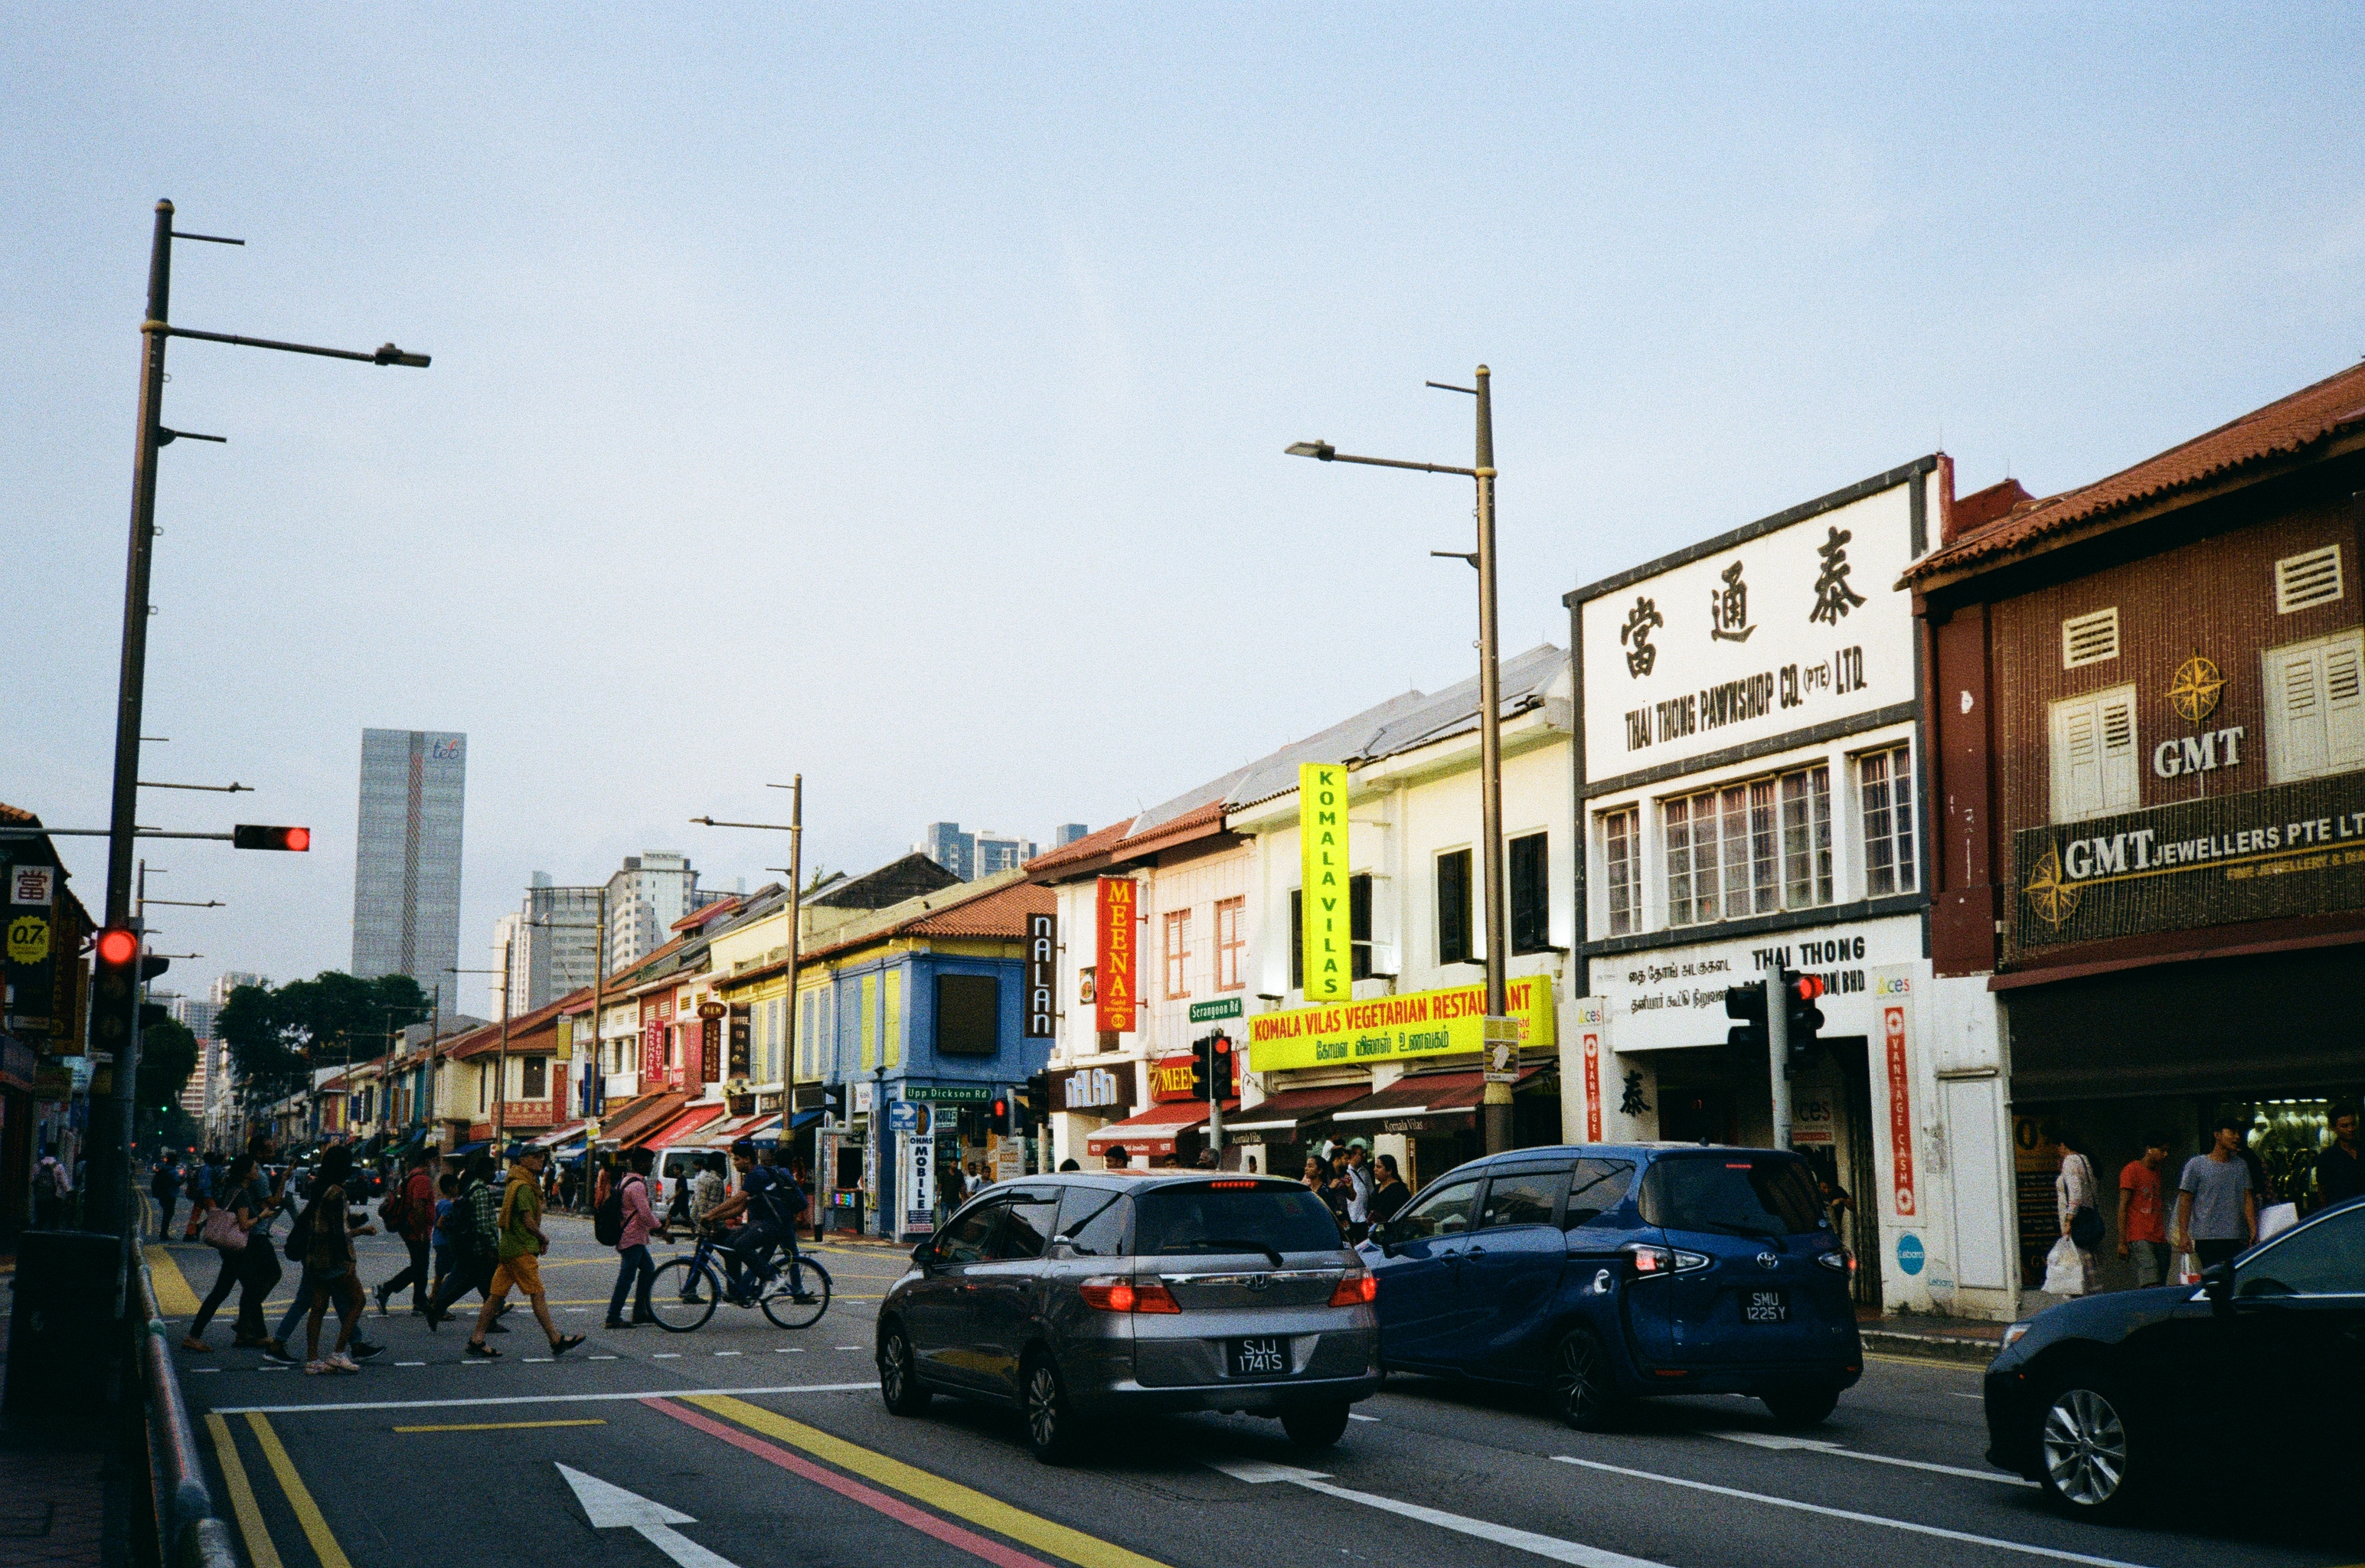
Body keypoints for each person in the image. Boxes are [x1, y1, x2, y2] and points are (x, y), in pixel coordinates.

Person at [465, 1146, 584, 1359]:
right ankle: (555, 1339)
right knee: (537, 1294)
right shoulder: (523, 1187)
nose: (540, 1160)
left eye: (542, 1156)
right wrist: (542, 1237)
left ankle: (477, 1339)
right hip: (520, 1249)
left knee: (494, 1298)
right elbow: (527, 1220)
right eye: (535, 1156)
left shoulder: (517, 1183)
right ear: (523, 1160)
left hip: (509, 1249)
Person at [289, 1145, 371, 1374]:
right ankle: (338, 1352)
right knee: (358, 1301)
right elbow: (340, 1232)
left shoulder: (319, 1188)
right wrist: (350, 1261)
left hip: (315, 1256)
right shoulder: (337, 1192)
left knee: (318, 1307)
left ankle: (313, 1360)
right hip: (334, 1258)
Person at [701, 1142, 811, 1302]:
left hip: (773, 1224)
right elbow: (739, 1209)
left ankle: (773, 1279)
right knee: (730, 1243)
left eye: (738, 1159)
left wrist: (711, 1213)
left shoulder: (757, 1175)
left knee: (742, 1245)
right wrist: (714, 1218)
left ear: (747, 1159)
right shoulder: (752, 1176)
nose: (735, 1163)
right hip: (761, 1223)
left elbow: (738, 1198)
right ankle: (737, 1289)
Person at [181, 1155, 263, 1351]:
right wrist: (262, 1216)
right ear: (245, 1173)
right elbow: (244, 1225)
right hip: (237, 1250)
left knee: (234, 1290)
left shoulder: (231, 1188)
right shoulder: (241, 1193)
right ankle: (256, 1335)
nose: (257, 1171)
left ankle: (248, 1334)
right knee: (242, 1290)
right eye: (254, 1168)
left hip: (230, 1251)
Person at [426, 1152, 508, 1331]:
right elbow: (482, 1223)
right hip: (480, 1249)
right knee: (472, 1284)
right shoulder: (480, 1191)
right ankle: (438, 1308)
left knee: (485, 1286)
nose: (495, 1174)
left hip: (473, 1248)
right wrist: (490, 1248)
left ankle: (490, 1321)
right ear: (485, 1171)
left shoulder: (474, 1188)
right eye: (493, 1170)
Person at [2175, 1116, 2257, 1270]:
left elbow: (2247, 1198)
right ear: (2217, 1135)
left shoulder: (2241, 1166)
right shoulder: (2196, 1165)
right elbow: (2185, 1200)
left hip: (2236, 1236)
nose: (2237, 1137)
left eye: (2238, 1133)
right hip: (2207, 1237)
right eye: (2232, 1133)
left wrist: (2253, 1229)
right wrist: (2183, 1234)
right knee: (2213, 1279)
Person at [374, 1151, 439, 1315]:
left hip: (410, 1227)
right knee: (419, 1267)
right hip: (415, 1229)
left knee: (420, 1266)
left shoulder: (412, 1176)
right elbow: (418, 1206)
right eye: (435, 1161)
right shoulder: (422, 1179)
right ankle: (386, 1289)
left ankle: (419, 1300)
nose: (437, 1165)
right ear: (428, 1161)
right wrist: (422, 1231)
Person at [604, 1147, 659, 1329]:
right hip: (632, 1237)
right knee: (627, 1277)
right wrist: (660, 1230)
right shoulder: (636, 1185)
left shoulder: (625, 1181)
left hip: (630, 1235)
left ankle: (639, 1312)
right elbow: (645, 1212)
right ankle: (613, 1316)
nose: (651, 1166)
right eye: (649, 1163)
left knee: (648, 1269)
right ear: (641, 1163)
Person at [2116, 1134, 2172, 1287]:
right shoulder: (2131, 1170)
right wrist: (2122, 1241)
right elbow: (2123, 1207)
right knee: (2150, 1276)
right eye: (2162, 1150)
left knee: (2160, 1279)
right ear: (2149, 1150)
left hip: (2158, 1234)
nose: (2165, 1154)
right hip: (2139, 1233)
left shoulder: (2156, 1172)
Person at [2315, 1104, 2363, 1211]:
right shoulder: (2327, 1158)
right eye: (2345, 1126)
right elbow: (2322, 1192)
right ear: (2334, 1128)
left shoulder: (2362, 1150)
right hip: (2341, 1213)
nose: (2350, 1129)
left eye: (2353, 1124)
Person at [428, 1171, 459, 1303]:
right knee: (453, 1271)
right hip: (445, 1242)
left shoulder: (440, 1203)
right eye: (456, 1186)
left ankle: (434, 1297)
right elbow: (441, 1223)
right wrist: (452, 1231)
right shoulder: (448, 1205)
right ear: (451, 1188)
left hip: (438, 1241)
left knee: (440, 1273)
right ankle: (438, 1297)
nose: (458, 1189)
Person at [1369, 1155, 1410, 1224]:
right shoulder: (1377, 1187)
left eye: (1379, 1167)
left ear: (1389, 1171)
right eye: (1375, 1166)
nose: (1375, 1169)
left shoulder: (1399, 1190)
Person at [152, 1158, 181, 1240]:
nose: (177, 1162)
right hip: (170, 1194)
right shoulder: (173, 1171)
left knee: (166, 1213)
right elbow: (177, 1182)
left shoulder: (163, 1169)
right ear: (173, 1162)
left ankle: (163, 1233)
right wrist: (183, 1179)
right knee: (169, 1214)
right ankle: (164, 1233)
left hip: (162, 1194)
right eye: (176, 1161)